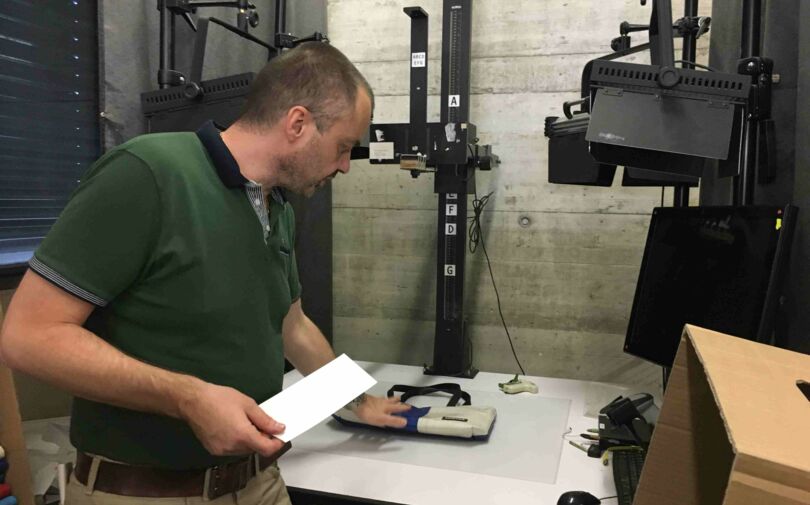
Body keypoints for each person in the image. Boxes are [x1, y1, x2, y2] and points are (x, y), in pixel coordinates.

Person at [0, 42, 410, 505]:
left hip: (259, 482)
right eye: (343, 147)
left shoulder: (276, 204)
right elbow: (27, 336)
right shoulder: (149, 174)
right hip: (146, 494)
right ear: (298, 123)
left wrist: (358, 402)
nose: (343, 166)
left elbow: (291, 324)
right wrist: (187, 398)